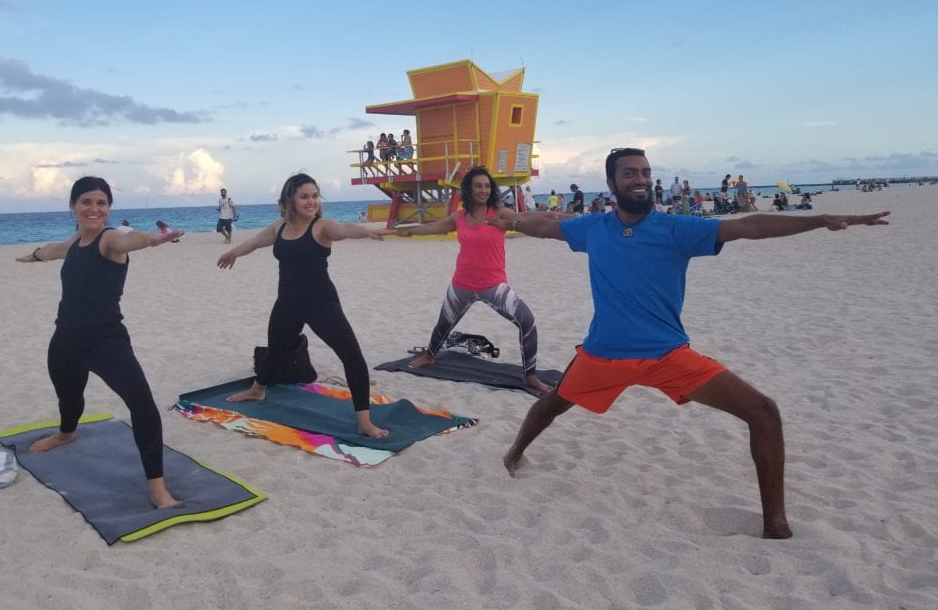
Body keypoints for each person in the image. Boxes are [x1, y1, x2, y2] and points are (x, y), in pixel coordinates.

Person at [494, 147, 890, 539]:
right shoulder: (593, 228)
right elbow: (545, 227)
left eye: (645, 172)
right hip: (604, 354)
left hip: (667, 355)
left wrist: (819, 220)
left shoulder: (677, 229)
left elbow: (748, 227)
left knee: (763, 411)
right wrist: (510, 220)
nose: (640, 179)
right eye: (629, 173)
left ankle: (776, 525)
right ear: (612, 183)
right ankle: (513, 455)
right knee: (551, 405)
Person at [15, 176, 184, 509]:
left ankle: (158, 488)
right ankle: (66, 433)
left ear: (109, 208)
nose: (95, 209)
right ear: (73, 206)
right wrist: (31, 256)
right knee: (69, 398)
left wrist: (150, 239)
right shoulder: (74, 243)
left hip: (106, 341)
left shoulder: (109, 239)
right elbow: (49, 251)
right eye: (87, 202)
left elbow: (127, 240)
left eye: (102, 203)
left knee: (142, 404)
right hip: (65, 338)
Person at [216, 173, 391, 438]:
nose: (311, 202)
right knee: (276, 349)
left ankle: (364, 421)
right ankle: (258, 389)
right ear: (291, 200)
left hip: (321, 304)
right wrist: (233, 253)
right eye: (304, 196)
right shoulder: (280, 227)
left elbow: (345, 230)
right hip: (287, 303)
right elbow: (254, 242)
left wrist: (366, 231)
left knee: (351, 356)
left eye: (315, 196)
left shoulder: (322, 227)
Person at [396, 166, 557, 393]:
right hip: (462, 283)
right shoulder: (459, 217)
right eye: (478, 186)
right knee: (444, 324)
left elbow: (525, 217)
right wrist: (411, 231)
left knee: (527, 321)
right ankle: (429, 356)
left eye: (487, 186)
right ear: (469, 190)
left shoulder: (498, 213)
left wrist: (554, 216)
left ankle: (530, 376)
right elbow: (434, 227)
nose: (483, 190)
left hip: (493, 285)